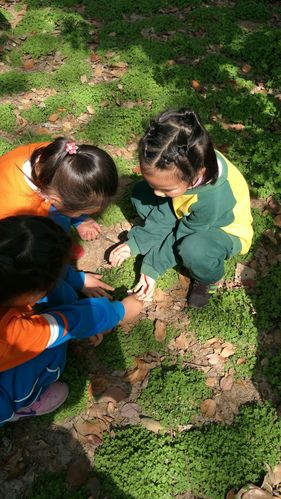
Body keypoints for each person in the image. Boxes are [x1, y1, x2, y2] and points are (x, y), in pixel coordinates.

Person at [0, 215, 142, 425]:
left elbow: (36, 263)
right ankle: (19, 405)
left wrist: (78, 279)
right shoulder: (14, 335)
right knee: (50, 351)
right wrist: (119, 312)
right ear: (27, 294)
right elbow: (70, 322)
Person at [110, 108, 253, 309]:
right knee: (141, 194)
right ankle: (159, 231)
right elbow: (165, 208)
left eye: (165, 188)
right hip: (190, 209)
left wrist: (151, 268)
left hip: (223, 229)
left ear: (195, 175)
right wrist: (136, 244)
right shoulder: (193, 162)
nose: (158, 193)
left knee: (193, 248)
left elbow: (183, 233)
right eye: (156, 186)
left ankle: (207, 279)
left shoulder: (213, 198)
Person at [0, 137, 119, 297]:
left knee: (62, 216)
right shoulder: (23, 215)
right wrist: (77, 279)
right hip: (11, 247)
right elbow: (35, 258)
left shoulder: (59, 158)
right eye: (82, 212)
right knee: (65, 294)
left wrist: (79, 218)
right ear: (54, 200)